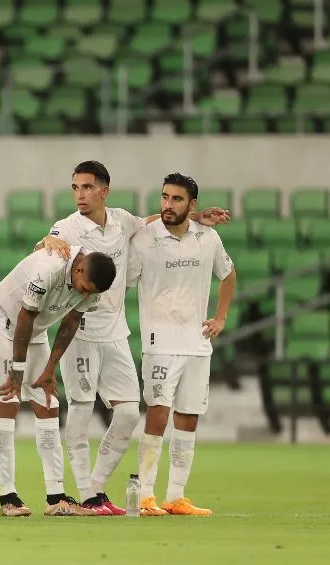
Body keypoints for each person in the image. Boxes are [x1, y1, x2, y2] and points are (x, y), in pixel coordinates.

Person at [35, 161, 231, 514]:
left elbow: (157, 221)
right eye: (75, 187)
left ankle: (97, 486)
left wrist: (196, 217)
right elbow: (46, 245)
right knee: (80, 409)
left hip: (116, 333)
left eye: (87, 187)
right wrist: (47, 240)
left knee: (127, 414)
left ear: (104, 191)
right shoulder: (68, 226)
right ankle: (85, 494)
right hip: (79, 331)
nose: (80, 194)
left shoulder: (123, 221)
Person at [0, 245, 117, 517]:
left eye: (90, 293)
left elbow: (71, 322)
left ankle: (55, 497)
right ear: (78, 269)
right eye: (84, 289)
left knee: (49, 403)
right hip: (1, 322)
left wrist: (50, 368)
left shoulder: (91, 287)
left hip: (35, 329)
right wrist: (18, 371)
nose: (85, 295)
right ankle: (8, 498)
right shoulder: (48, 269)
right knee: (9, 401)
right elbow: (24, 316)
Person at [127, 173, 235, 517]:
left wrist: (220, 318)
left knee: (188, 418)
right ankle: (145, 496)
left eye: (176, 198)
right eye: (164, 197)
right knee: (158, 414)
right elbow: (124, 280)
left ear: (192, 203)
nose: (168, 204)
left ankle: (176, 496)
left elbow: (228, 274)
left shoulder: (208, 237)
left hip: (197, 342)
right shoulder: (145, 238)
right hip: (159, 342)